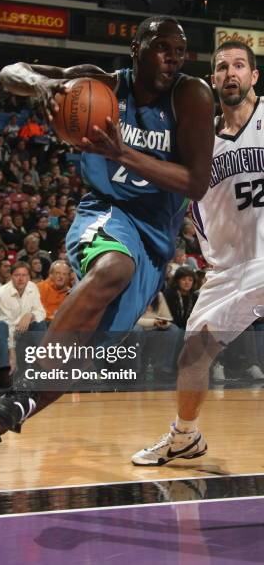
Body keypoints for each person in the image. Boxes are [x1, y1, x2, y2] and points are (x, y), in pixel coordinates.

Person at [0, 15, 215, 507]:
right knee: (112, 269)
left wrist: (122, 151)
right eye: (162, 46)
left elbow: (195, 183)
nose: (173, 57)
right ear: (136, 47)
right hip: (105, 212)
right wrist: (43, 82)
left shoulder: (191, 96)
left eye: (180, 49)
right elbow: (9, 72)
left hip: (156, 239)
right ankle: (22, 385)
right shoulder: (98, 83)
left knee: (71, 368)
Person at [131, 39, 264, 465]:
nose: (231, 73)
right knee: (193, 355)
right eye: (222, 66)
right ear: (212, 80)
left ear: (253, 76)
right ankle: (185, 436)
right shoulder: (196, 141)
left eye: (239, 65)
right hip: (227, 270)